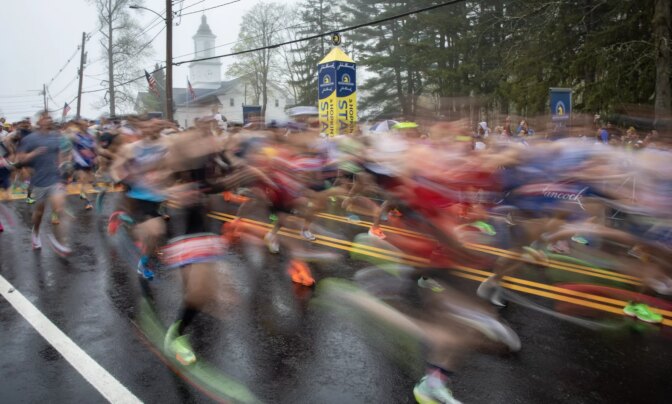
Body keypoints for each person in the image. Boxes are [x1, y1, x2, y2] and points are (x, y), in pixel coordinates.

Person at [15, 112, 71, 253]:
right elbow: (20, 159)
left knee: (60, 209)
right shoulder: (29, 139)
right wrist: (33, 154)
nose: (49, 119)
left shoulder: (55, 137)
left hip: (54, 180)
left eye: (50, 117)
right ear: (39, 121)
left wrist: (62, 169)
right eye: (46, 117)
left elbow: (59, 156)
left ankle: (61, 243)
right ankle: (35, 233)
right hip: (39, 181)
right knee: (39, 213)